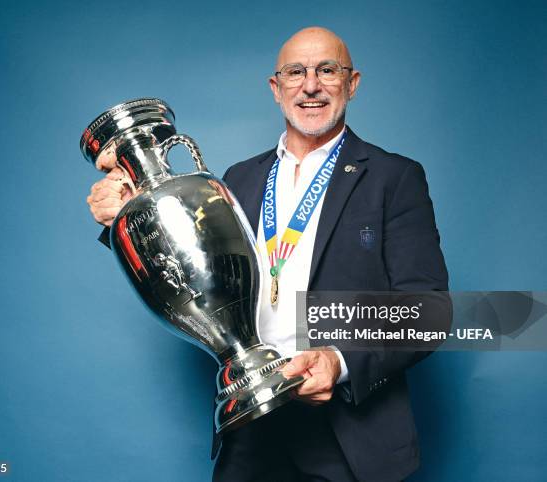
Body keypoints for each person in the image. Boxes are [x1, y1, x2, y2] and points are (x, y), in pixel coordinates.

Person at [87, 27, 448, 482]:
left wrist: (339, 362)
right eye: (295, 72)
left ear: (351, 83)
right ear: (276, 89)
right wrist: (127, 215)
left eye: (327, 70)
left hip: (349, 435)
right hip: (250, 430)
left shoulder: (394, 177)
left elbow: (428, 309)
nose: (311, 85)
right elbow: (186, 268)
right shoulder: (236, 180)